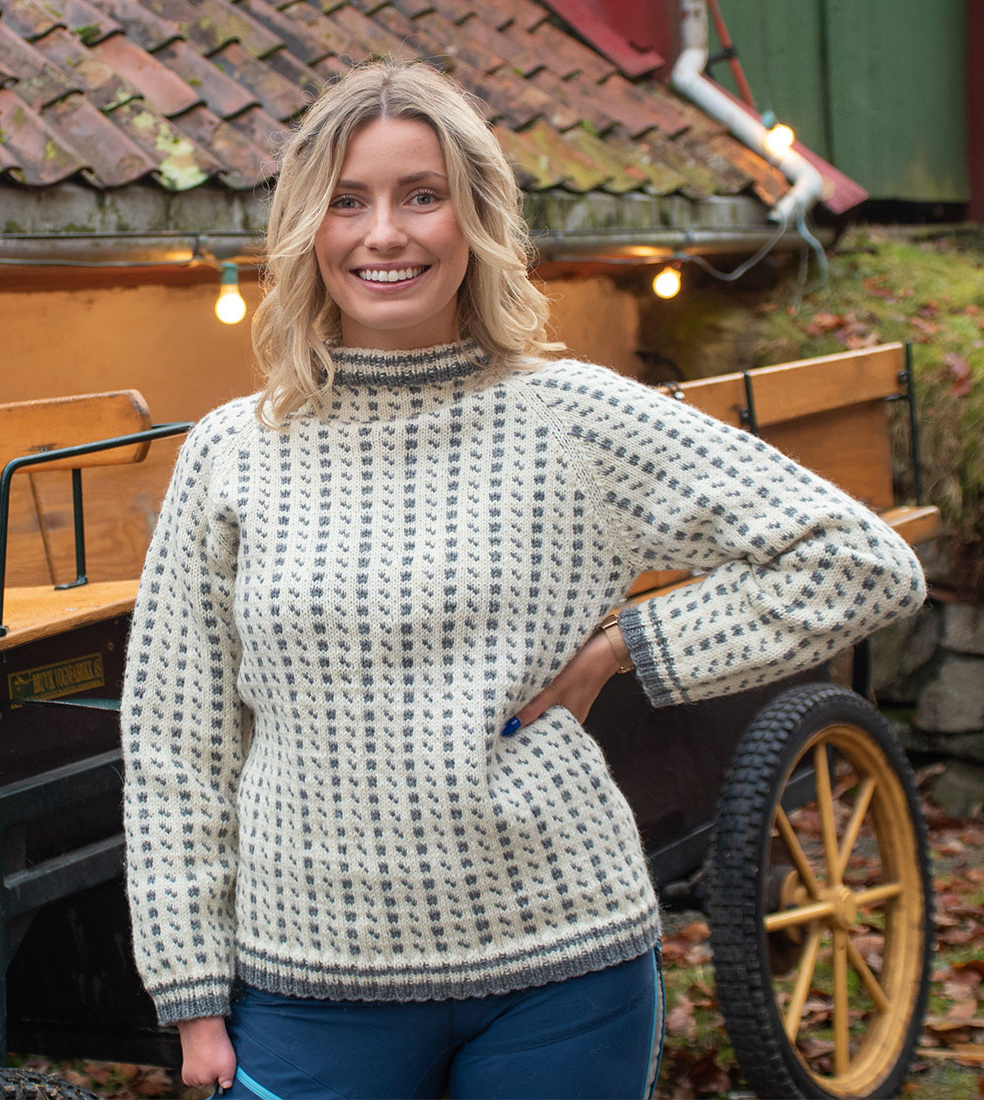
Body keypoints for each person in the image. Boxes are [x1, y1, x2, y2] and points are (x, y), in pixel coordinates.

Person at [120, 60, 926, 1099]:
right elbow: (173, 739)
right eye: (347, 202)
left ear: (476, 217)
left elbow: (860, 562)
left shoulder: (574, 417)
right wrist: (190, 992)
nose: (384, 234)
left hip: (562, 970)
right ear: (305, 229)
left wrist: (628, 647)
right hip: (309, 982)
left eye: (422, 195)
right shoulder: (232, 451)